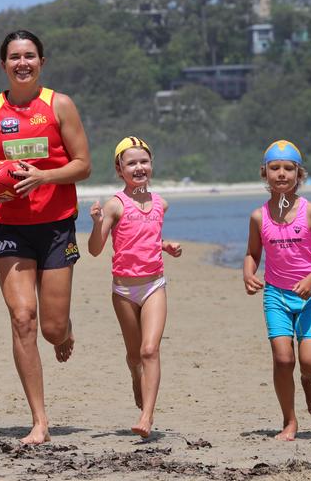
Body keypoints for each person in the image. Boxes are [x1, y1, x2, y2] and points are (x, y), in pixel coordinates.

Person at [0, 30, 91, 444]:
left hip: (57, 224)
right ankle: (39, 420)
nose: (22, 63)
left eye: (29, 56)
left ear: (41, 61)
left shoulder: (60, 105)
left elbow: (83, 165)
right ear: (2, 64)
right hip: (10, 227)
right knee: (23, 318)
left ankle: (65, 330)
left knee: (51, 328)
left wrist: (44, 176)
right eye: (14, 57)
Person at [87, 136, 182, 438]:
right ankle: (134, 374)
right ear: (120, 169)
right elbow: (95, 249)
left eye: (144, 161)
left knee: (150, 350)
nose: (139, 167)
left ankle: (147, 416)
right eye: (132, 163)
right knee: (134, 355)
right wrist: (96, 222)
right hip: (124, 291)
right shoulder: (116, 205)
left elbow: (148, 237)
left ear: (151, 165)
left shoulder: (160, 204)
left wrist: (166, 246)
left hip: (154, 285)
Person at [243, 140, 311, 441]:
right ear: (265, 173)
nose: (282, 174)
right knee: (283, 359)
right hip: (276, 295)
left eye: (289, 169)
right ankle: (289, 421)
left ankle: (308, 379)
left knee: (310, 361)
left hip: (310, 297)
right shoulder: (258, 217)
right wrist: (248, 274)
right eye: (275, 168)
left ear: (299, 175)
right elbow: (252, 253)